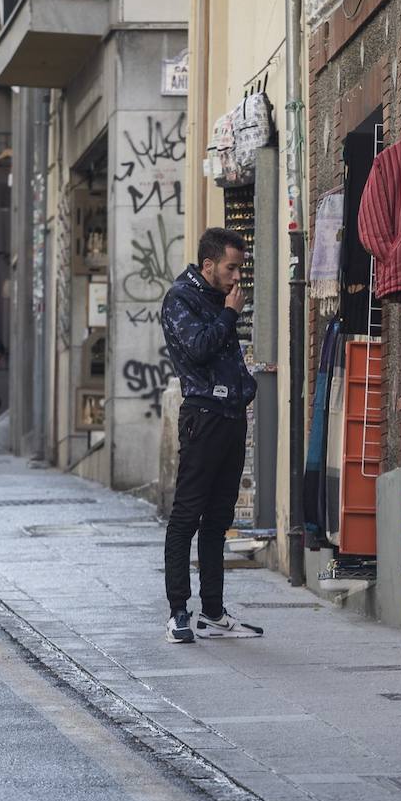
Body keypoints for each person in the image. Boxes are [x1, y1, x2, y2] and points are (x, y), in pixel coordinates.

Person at [160, 227, 262, 644]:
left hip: (232, 415)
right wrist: (230, 314)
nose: (237, 277)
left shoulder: (217, 298)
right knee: (187, 516)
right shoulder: (180, 299)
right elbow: (199, 347)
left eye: (240, 268)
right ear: (208, 265)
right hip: (203, 418)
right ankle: (178, 612)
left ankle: (214, 612)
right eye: (231, 268)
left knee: (219, 520)